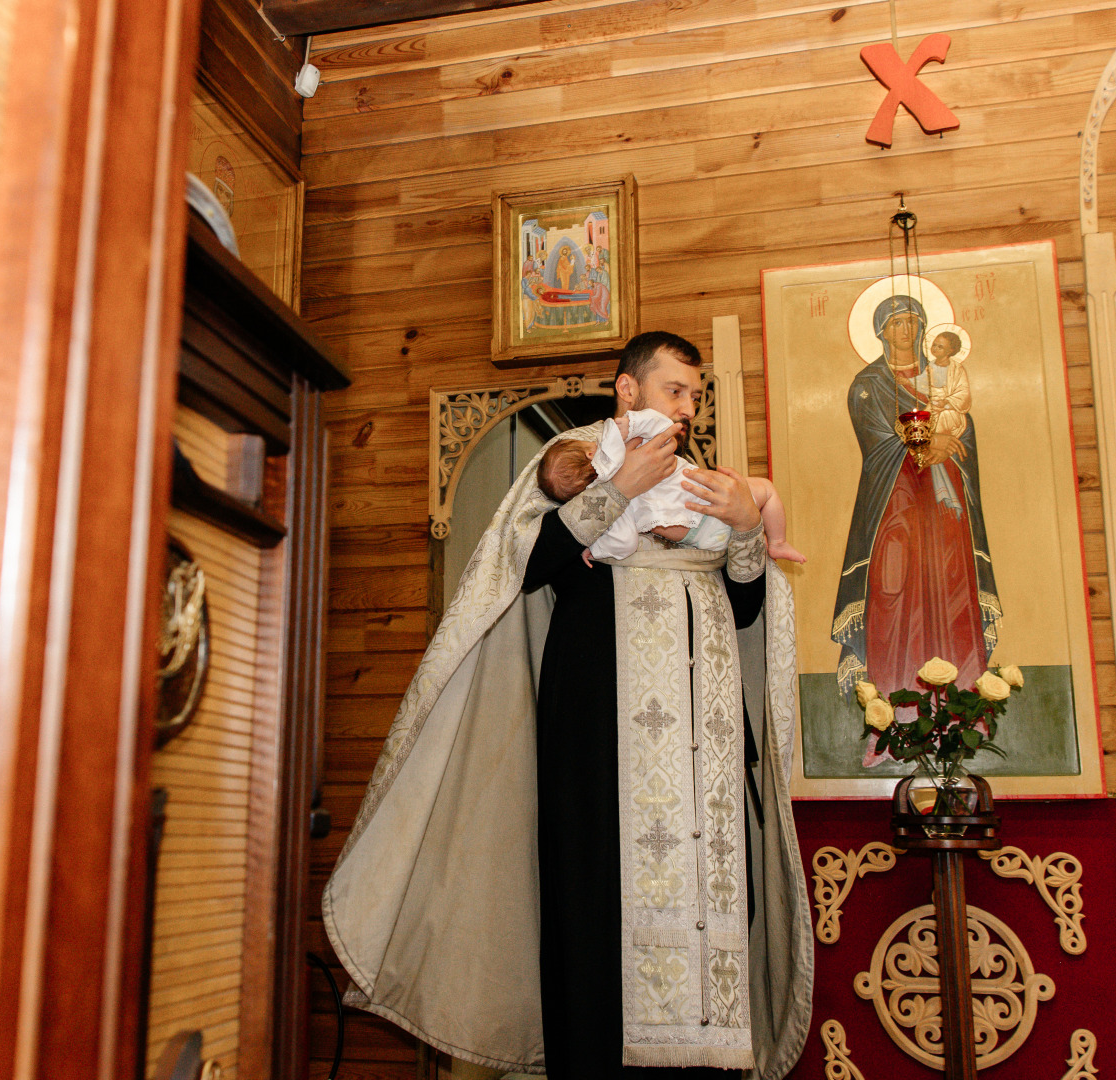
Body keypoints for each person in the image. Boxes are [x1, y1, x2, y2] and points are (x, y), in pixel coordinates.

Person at [323, 331, 813, 1080]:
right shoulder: (577, 463)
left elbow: (746, 611)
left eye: (693, 395)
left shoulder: (704, 481)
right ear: (627, 389)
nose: (685, 409)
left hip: (706, 748)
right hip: (598, 734)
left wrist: (746, 531)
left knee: (718, 902)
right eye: (673, 389)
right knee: (592, 911)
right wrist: (615, 492)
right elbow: (525, 566)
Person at [831, 294, 1000, 763]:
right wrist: (927, 443)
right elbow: (875, 445)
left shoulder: (944, 380)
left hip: (944, 511)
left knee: (950, 591)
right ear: (881, 330)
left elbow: (964, 440)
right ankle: (891, 719)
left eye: (914, 322)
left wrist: (948, 442)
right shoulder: (869, 384)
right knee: (893, 593)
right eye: (897, 322)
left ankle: (962, 715)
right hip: (897, 505)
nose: (906, 330)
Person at [536, 408, 805, 564]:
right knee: (767, 490)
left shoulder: (613, 507)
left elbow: (624, 543)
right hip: (714, 505)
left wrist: (594, 549)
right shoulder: (621, 442)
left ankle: (769, 541)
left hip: (703, 542)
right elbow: (665, 427)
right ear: (588, 453)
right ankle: (778, 542)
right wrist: (632, 423)